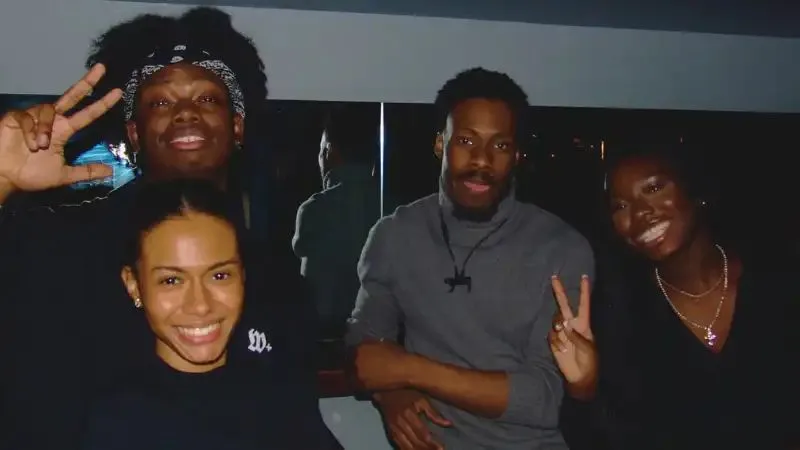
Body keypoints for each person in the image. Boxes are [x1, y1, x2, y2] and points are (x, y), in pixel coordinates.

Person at [0, 8, 331, 450]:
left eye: (208, 99)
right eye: (160, 102)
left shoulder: (273, 272)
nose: (185, 114)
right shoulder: (61, 244)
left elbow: (295, 414)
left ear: (238, 126)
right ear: (134, 134)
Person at [346, 67, 595, 450]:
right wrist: (391, 395)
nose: (482, 160)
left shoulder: (561, 248)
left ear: (517, 155)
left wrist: (411, 371)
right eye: (466, 140)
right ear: (439, 144)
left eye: (500, 145)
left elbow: (546, 400)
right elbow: (363, 347)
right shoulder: (396, 234)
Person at [569, 144, 799, 449]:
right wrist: (584, 388)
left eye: (653, 188)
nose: (639, 212)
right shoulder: (623, 313)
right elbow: (606, 438)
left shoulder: (779, 284)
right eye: (620, 206)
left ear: (696, 191)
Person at [82, 180, 340, 449]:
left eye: (219, 275)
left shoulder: (280, 394)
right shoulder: (119, 421)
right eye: (171, 280)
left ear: (242, 275)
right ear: (134, 285)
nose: (200, 305)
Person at [293, 106, 381, 338]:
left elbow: (313, 290)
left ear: (330, 152)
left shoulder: (315, 209)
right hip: (382, 332)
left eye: (321, 150)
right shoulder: (395, 206)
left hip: (328, 334)